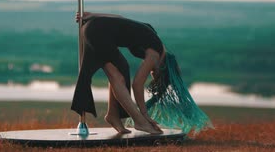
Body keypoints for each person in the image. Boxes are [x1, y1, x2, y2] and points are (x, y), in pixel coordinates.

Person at [71, 12, 212, 135]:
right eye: (156, 77)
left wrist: (92, 15)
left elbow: (120, 18)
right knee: (117, 77)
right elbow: (137, 84)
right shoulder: (155, 55)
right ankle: (139, 122)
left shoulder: (152, 36)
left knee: (122, 68)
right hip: (97, 33)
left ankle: (113, 115)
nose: (152, 75)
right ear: (162, 71)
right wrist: (144, 115)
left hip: (95, 29)